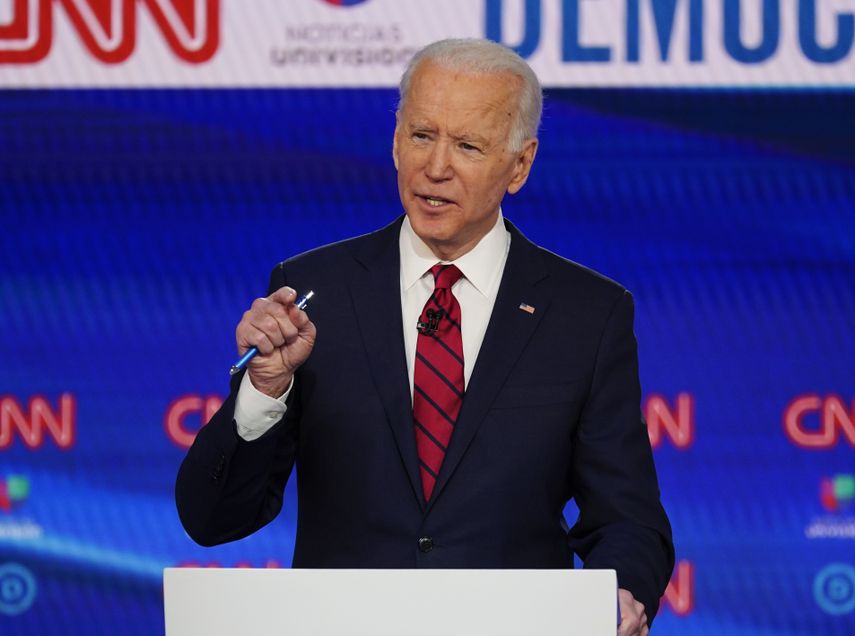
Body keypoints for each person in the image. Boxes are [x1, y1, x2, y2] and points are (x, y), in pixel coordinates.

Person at [176, 38, 674, 635]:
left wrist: (620, 592)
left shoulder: (587, 314)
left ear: (520, 165)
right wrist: (263, 391)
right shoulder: (315, 293)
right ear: (394, 140)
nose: (436, 167)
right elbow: (212, 519)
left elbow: (629, 519)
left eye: (467, 145)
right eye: (420, 135)